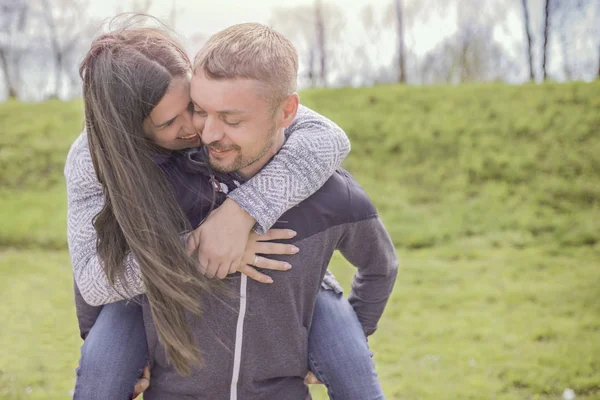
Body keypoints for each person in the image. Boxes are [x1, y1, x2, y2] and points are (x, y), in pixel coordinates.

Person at [67, 16, 395, 400]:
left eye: (194, 104)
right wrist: (203, 249)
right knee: (100, 372)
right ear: (131, 131)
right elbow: (92, 277)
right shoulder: (93, 161)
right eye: (173, 121)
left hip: (290, 285)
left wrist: (241, 211)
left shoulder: (223, 115)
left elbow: (326, 137)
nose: (199, 129)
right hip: (145, 278)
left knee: (352, 365)